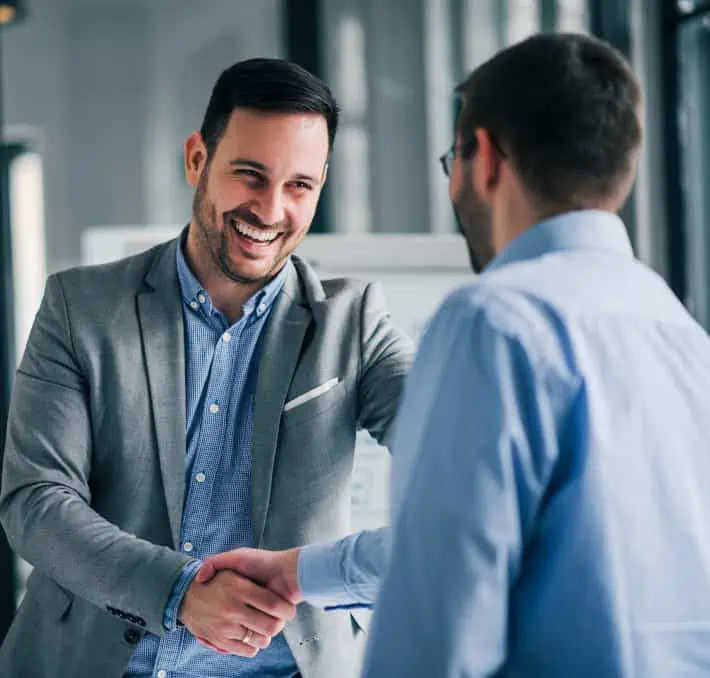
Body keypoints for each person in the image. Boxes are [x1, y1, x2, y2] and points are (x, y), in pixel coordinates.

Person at [199, 33, 710, 678]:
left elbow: (439, 612)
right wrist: (300, 572)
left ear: (485, 159)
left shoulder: (495, 322)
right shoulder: (683, 337)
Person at [0, 58, 412, 678]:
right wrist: (181, 592)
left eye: (300, 186)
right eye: (250, 175)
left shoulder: (354, 323)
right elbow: (35, 501)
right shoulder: (80, 307)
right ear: (198, 159)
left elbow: (460, 466)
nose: (271, 210)